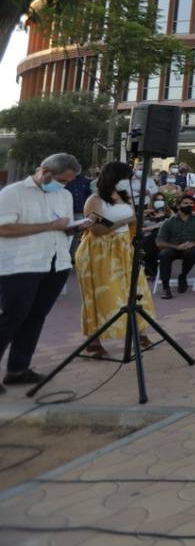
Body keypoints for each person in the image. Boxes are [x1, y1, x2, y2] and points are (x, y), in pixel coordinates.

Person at [0, 154, 84, 390]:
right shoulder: (13, 193)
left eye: (68, 181)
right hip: (21, 266)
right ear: (45, 171)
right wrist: (49, 226)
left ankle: (18, 368)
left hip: (55, 264)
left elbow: (61, 226)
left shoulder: (64, 195)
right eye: (61, 179)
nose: (64, 185)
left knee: (36, 317)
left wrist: (72, 229)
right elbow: (3, 228)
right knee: (12, 318)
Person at [75, 161, 155, 358]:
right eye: (126, 178)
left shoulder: (124, 197)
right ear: (114, 178)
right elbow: (96, 229)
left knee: (135, 291)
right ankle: (94, 341)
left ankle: (140, 332)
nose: (129, 182)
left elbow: (132, 223)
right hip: (100, 251)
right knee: (104, 293)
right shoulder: (94, 200)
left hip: (124, 248)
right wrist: (125, 220)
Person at [154, 196, 195, 299]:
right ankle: (166, 287)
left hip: (190, 247)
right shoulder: (169, 222)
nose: (189, 205)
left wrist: (193, 243)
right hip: (173, 247)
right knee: (164, 254)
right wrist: (176, 247)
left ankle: (183, 275)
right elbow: (159, 242)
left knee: (191, 253)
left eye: (191, 203)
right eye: (185, 203)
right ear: (178, 206)